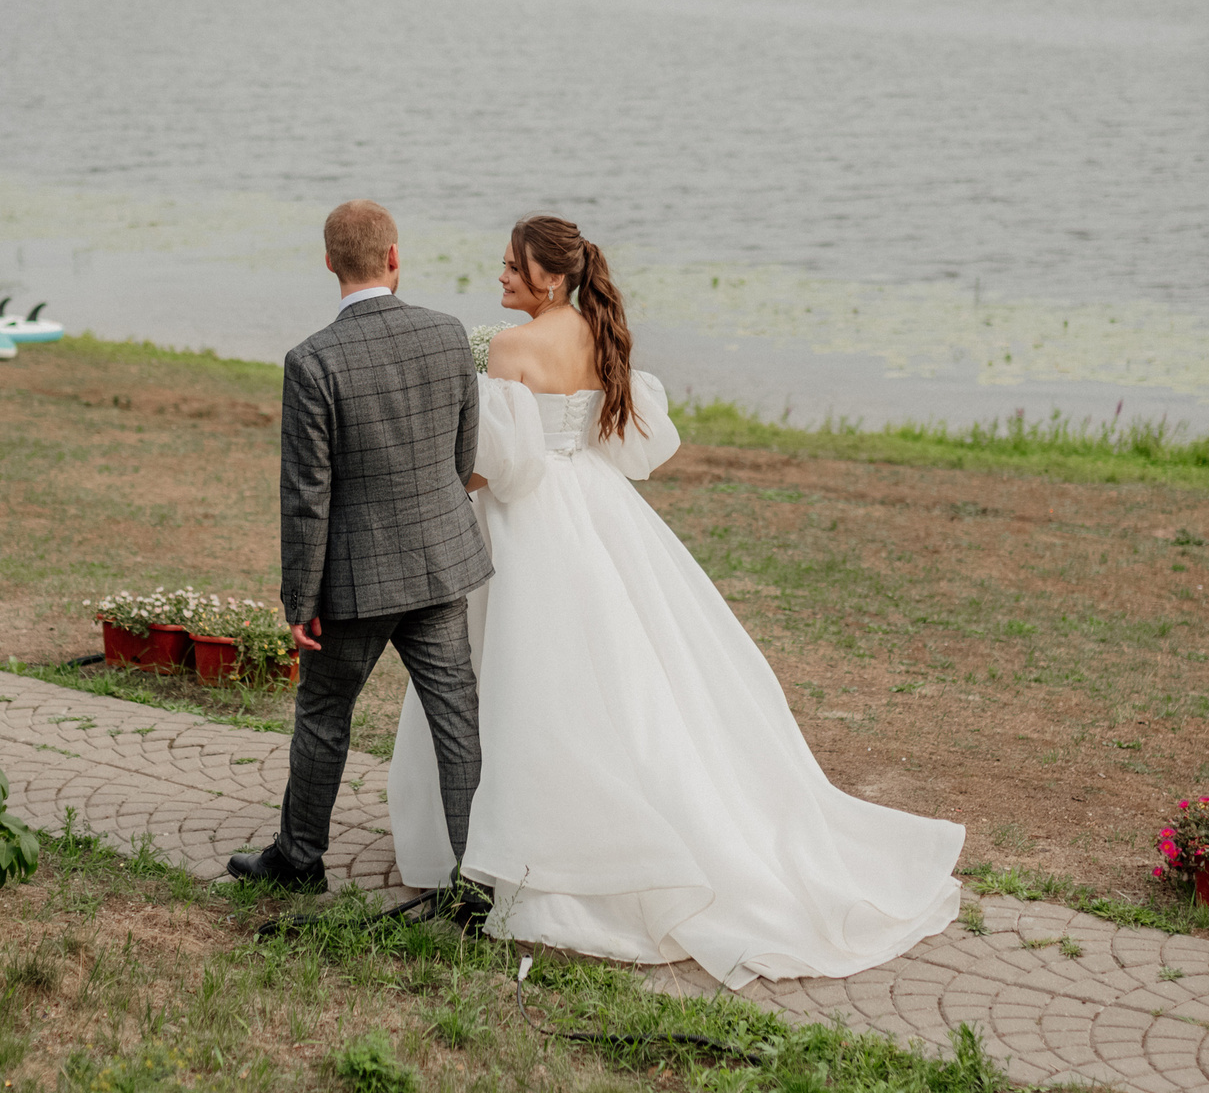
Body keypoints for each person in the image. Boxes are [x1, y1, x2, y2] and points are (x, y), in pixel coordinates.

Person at [387, 214, 965, 987]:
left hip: (527, 523)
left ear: (549, 278)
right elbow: (615, 439)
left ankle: (534, 850)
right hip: (594, 509)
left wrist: (442, 484)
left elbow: (505, 463)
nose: (499, 278)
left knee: (522, 683)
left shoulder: (512, 348)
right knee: (617, 680)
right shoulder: (598, 334)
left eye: (511, 268)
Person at [228, 200, 492, 916]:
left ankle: (299, 858)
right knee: (457, 717)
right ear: (395, 257)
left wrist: (299, 600)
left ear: (328, 263)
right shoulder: (446, 335)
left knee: (322, 715)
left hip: (353, 581)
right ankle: (476, 881)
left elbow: (307, 494)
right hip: (439, 563)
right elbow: (461, 456)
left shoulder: (312, 361)